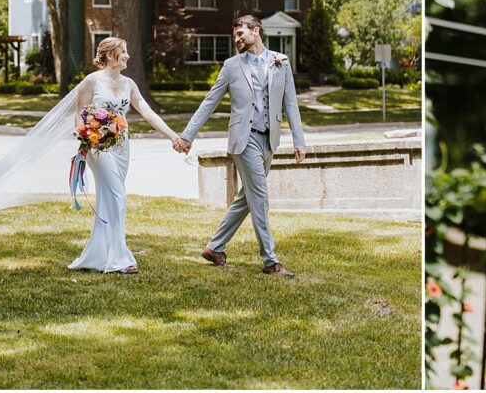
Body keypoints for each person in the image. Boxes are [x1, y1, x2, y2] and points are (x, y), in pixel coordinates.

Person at [176, 14, 307, 277]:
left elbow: (290, 104)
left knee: (247, 198)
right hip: (243, 139)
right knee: (259, 197)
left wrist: (298, 140)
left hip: (268, 139)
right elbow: (209, 102)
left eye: (241, 33)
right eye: (235, 35)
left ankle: (214, 247)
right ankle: (270, 261)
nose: (237, 39)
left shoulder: (280, 62)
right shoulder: (231, 66)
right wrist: (187, 135)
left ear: (256, 31)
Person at [68, 37, 186, 274]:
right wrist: (89, 135)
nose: (128, 56)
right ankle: (120, 259)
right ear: (111, 55)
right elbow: (80, 115)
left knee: (108, 199)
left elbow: (147, 112)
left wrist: (174, 136)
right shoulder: (91, 81)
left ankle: (97, 256)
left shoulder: (129, 84)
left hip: (122, 147)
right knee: (118, 195)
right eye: (124, 51)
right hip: (97, 147)